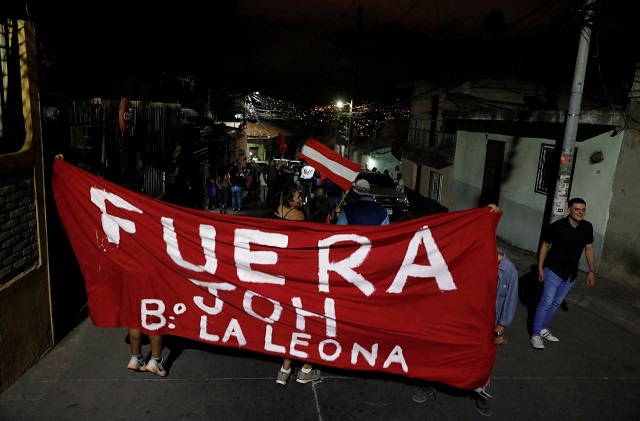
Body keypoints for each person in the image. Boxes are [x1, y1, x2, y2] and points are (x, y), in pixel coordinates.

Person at [412, 205, 518, 417]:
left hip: (484, 326)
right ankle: (431, 383)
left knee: (478, 362)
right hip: (458, 319)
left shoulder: (508, 271)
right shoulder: (473, 258)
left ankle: (476, 392)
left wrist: (498, 331)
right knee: (441, 353)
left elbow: (509, 304)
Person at [274, 191, 328, 386]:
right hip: (315, 291)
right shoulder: (330, 238)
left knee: (295, 325)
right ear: (329, 216)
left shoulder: (302, 230)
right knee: (314, 327)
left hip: (294, 286)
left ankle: (284, 369)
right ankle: (306, 368)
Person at [530, 197, 596, 350]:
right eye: (577, 209)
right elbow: (545, 245)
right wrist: (540, 267)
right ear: (569, 210)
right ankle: (535, 335)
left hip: (571, 273)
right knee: (546, 301)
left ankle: (542, 328)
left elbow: (589, 249)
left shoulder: (587, 227)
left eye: (583, 209)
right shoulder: (557, 227)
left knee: (556, 302)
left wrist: (592, 271)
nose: (580, 212)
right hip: (553, 269)